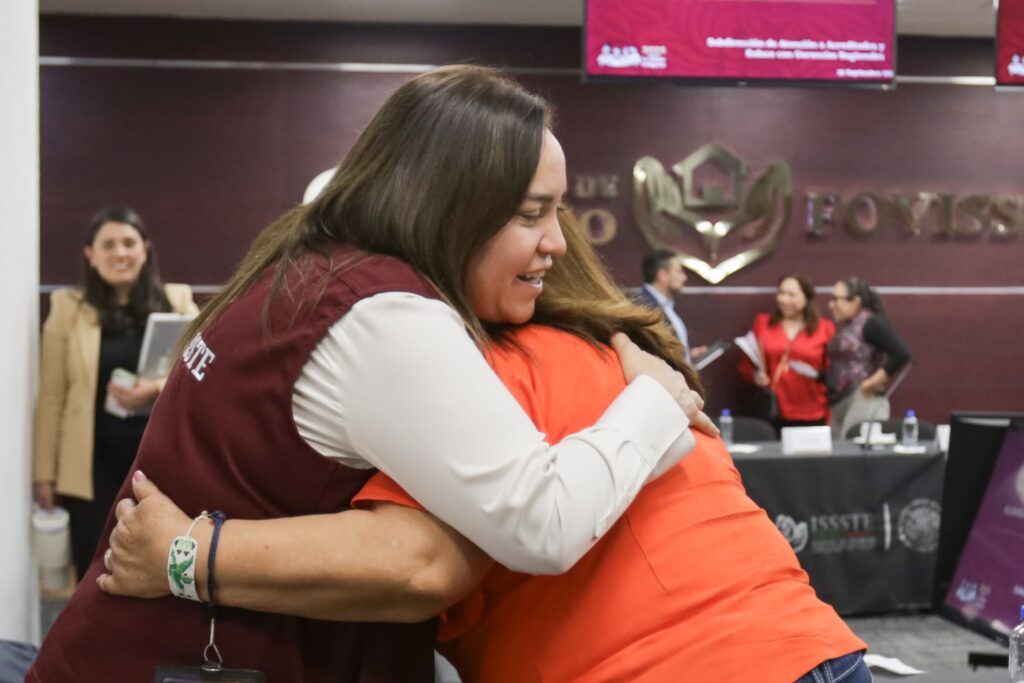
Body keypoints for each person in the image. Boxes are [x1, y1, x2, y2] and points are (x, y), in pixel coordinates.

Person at [29, 65, 712, 682]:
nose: (557, 242)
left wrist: (187, 554)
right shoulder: (384, 316)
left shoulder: (308, 270)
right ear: (448, 204)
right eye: (531, 213)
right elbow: (538, 522)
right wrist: (656, 399)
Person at [99, 209, 871, 683]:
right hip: (817, 649)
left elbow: (417, 562)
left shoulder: (477, 374)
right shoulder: (626, 356)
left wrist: (186, 552)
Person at [31, 206, 198, 580]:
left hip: (157, 461)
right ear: (90, 255)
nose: (120, 253)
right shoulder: (68, 309)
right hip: (91, 467)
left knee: (156, 569)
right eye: (108, 245)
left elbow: (195, 376)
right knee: (94, 570)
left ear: (145, 250)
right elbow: (52, 397)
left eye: (128, 243)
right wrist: (44, 476)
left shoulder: (177, 301)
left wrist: (154, 389)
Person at [743, 274, 835, 430]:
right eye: (781, 293)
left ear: (806, 297)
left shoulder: (824, 328)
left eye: (791, 295)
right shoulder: (763, 323)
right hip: (774, 410)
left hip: (813, 410)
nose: (784, 300)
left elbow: (832, 371)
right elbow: (745, 365)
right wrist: (756, 376)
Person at [826, 276, 912, 439]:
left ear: (855, 301)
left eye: (836, 299)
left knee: (854, 447)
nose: (831, 305)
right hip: (839, 400)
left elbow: (901, 353)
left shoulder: (871, 322)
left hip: (862, 398)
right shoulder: (847, 326)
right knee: (839, 450)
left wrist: (871, 383)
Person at [636, 249, 706, 362]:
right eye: (679, 271)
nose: (684, 278)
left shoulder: (665, 305)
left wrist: (688, 355)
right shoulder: (644, 307)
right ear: (662, 275)